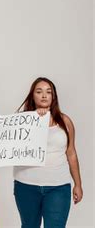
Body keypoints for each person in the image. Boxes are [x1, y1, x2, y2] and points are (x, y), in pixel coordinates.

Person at [13, 77, 83, 228]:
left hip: (58, 186)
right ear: (33, 95)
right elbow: (12, 148)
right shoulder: (20, 121)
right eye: (39, 92)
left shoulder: (65, 121)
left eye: (48, 92)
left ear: (53, 96)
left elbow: (71, 153)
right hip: (26, 185)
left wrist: (78, 184)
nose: (44, 95)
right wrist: (34, 120)